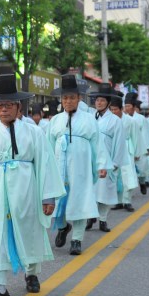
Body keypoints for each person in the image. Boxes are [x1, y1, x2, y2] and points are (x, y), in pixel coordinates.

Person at [0, 74, 64, 296]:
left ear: (17, 106)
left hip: (27, 191)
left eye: (8, 105)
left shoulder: (34, 133)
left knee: (29, 230)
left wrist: (48, 195)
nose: (3, 110)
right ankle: (0, 286)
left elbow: (46, 163)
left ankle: (31, 273)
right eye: (0, 105)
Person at [47, 75, 103, 256]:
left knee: (80, 199)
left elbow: (97, 144)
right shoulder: (55, 121)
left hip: (81, 167)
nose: (68, 101)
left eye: (72, 97)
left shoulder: (88, 120)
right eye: (65, 98)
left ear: (79, 98)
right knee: (57, 199)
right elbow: (48, 146)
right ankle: (63, 227)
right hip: (58, 166)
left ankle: (77, 239)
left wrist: (101, 164)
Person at [86, 83, 127, 233]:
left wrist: (115, 162)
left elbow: (120, 143)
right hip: (91, 160)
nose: (99, 103)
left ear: (108, 103)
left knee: (104, 192)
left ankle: (102, 219)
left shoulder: (115, 121)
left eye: (102, 100)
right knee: (90, 191)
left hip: (107, 160)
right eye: (97, 100)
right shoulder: (91, 118)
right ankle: (90, 217)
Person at [109, 93, 139, 213]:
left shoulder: (130, 121)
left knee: (127, 174)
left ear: (121, 109)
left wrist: (136, 152)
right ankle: (118, 201)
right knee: (115, 175)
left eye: (115, 109)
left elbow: (135, 137)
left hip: (127, 149)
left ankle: (127, 201)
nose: (113, 112)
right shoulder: (110, 121)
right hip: (114, 149)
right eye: (111, 109)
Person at [124, 95, 149, 195]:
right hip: (128, 145)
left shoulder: (141, 118)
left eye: (128, 106)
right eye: (125, 106)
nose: (126, 108)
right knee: (128, 170)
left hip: (140, 144)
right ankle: (127, 193)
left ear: (133, 107)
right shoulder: (123, 118)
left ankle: (142, 182)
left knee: (141, 167)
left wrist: (147, 147)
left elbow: (145, 133)